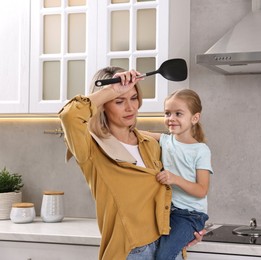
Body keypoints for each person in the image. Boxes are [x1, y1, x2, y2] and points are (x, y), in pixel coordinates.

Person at [59, 67, 203, 260]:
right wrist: (112, 89)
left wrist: (188, 226)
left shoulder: (150, 143)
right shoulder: (92, 148)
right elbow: (70, 116)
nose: (130, 108)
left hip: (168, 247)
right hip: (131, 252)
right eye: (119, 101)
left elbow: (173, 194)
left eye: (133, 98)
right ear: (102, 104)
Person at [141, 89, 213, 260]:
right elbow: (137, 134)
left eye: (178, 113)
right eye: (167, 113)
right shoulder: (166, 140)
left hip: (190, 216)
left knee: (163, 256)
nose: (171, 118)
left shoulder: (201, 151)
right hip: (167, 211)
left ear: (195, 118)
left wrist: (174, 179)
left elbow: (202, 190)